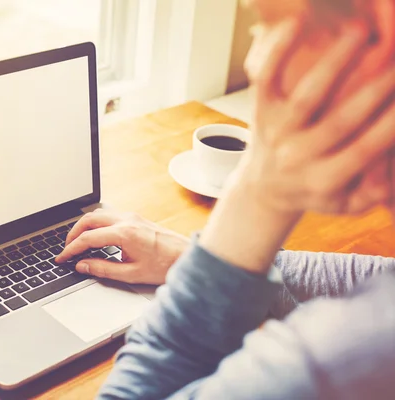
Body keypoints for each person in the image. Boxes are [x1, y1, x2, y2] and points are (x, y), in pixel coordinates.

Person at [53, 0, 395, 398]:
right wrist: (202, 263)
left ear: (379, 34)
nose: (254, 61)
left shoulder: (334, 363)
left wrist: (260, 193)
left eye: (268, 23)